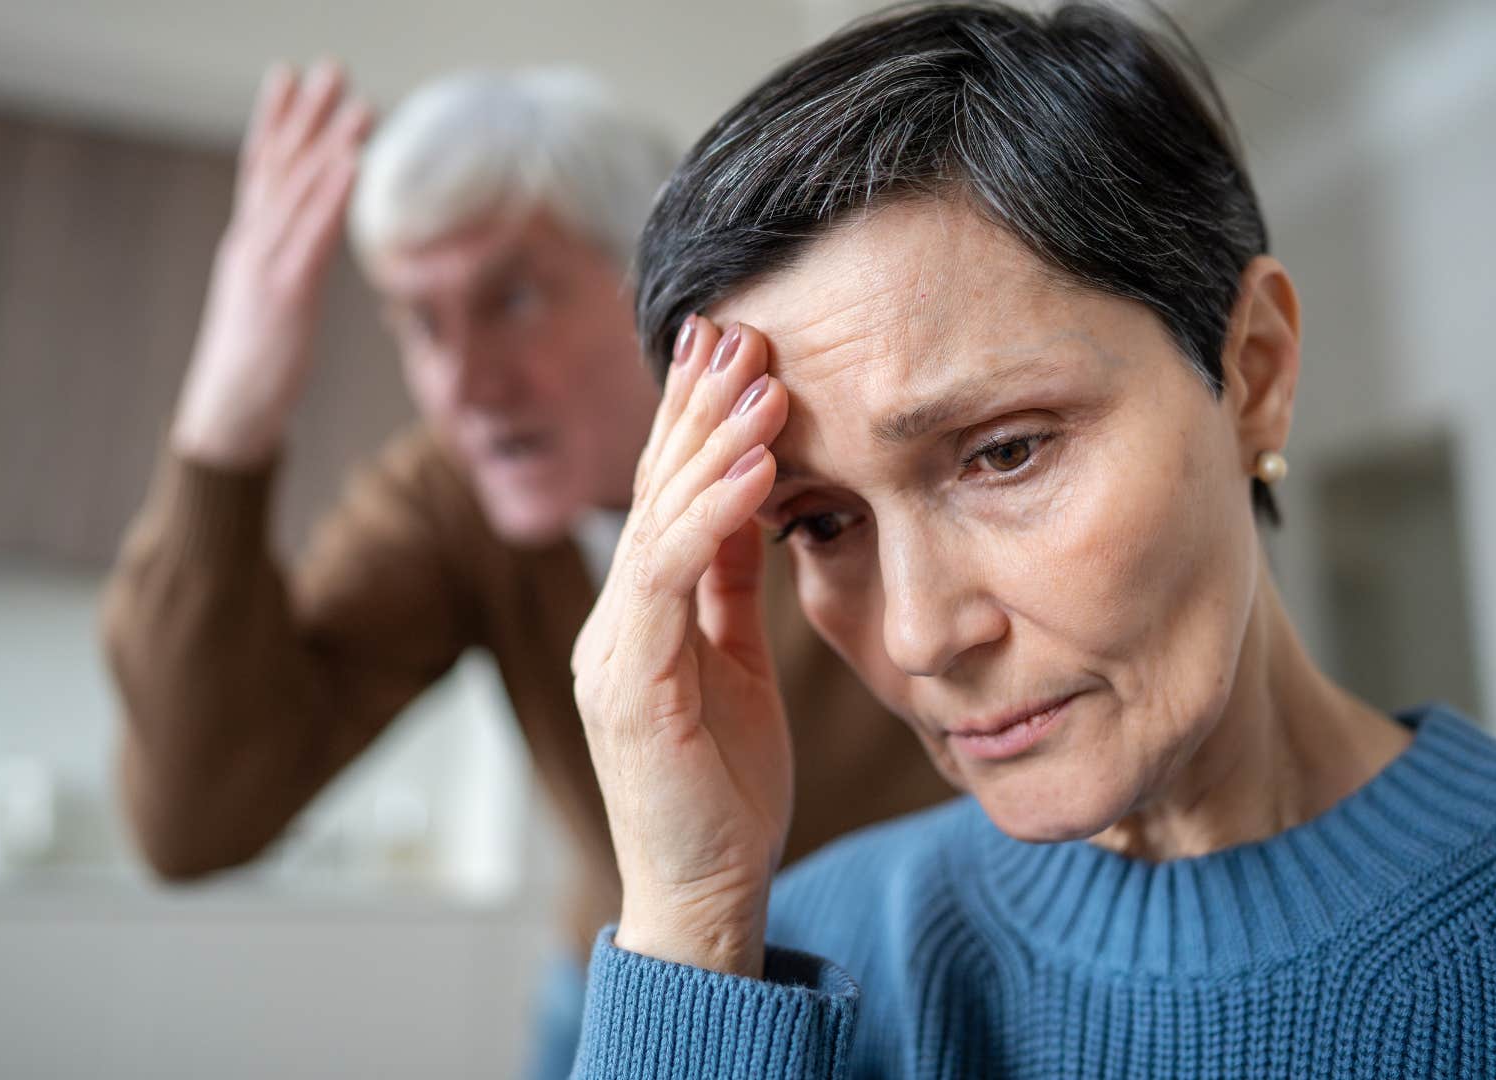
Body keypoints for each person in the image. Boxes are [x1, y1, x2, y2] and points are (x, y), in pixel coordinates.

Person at [564, 3, 1496, 1076]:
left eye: (1006, 452)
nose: (923, 636)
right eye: (820, 522)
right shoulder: (767, 978)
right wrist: (693, 914)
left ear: (1256, 372)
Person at [97, 62, 952, 1077]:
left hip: (925, 984)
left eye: (509, 297)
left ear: (656, 286)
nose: (462, 380)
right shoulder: (451, 494)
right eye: (420, 321)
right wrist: (228, 419)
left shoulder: (826, 435)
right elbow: (192, 820)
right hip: (641, 983)